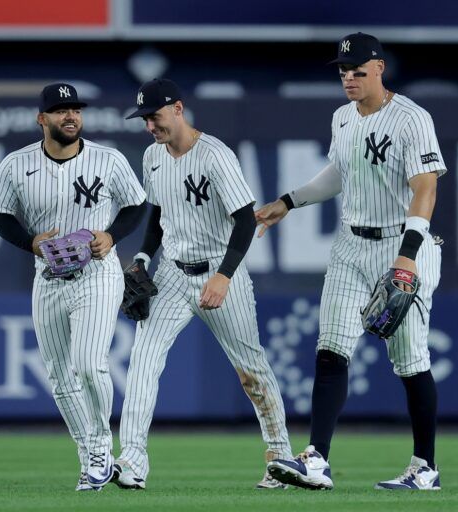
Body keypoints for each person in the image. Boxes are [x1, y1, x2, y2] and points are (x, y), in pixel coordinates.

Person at [257, 32, 446, 491]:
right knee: (331, 348)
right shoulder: (342, 117)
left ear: (379, 68)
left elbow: (425, 187)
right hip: (349, 246)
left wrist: (408, 255)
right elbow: (340, 173)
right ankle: (316, 459)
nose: (349, 78)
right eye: (344, 71)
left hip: (402, 247)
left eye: (359, 70)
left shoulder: (412, 119)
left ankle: (425, 467)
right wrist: (290, 200)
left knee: (409, 360)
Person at [113, 78, 293, 490]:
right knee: (143, 361)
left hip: (218, 268)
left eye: (154, 117)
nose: (149, 127)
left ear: (177, 109)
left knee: (251, 370)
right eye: (144, 120)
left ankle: (280, 456)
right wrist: (142, 257)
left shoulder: (215, 156)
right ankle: (133, 461)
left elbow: (245, 219)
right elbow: (157, 216)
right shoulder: (152, 157)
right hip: (173, 273)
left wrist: (225, 276)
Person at [0, 83, 147, 491]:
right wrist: (30, 242)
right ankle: (93, 455)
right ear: (42, 119)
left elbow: (136, 204)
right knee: (59, 375)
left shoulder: (107, 159)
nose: (70, 116)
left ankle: (100, 448)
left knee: (90, 363)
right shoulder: (16, 165)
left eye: (75, 109)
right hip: (49, 278)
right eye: (60, 110)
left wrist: (111, 236)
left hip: (98, 273)